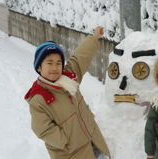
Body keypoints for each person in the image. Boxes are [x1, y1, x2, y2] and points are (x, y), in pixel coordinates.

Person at [24, 26, 111, 159]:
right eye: (49, 63)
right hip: (71, 153)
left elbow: (80, 57)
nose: (55, 67)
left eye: (58, 63)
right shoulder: (40, 97)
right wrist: (65, 141)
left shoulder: (69, 77)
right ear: (39, 67)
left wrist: (94, 38)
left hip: (93, 140)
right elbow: (41, 128)